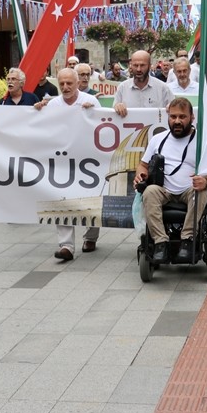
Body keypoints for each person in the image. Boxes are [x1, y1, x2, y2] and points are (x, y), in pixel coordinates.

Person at [133, 97, 207, 265]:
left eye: (182, 117)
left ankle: (187, 240)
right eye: (173, 117)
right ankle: (160, 243)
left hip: (190, 190)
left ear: (192, 118)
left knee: (200, 190)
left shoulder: (203, 142)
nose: (177, 121)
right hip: (163, 190)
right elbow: (143, 165)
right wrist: (140, 175)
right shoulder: (157, 139)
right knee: (149, 191)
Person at [36, 68, 100, 260]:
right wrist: (37, 111)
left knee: (91, 198)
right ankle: (66, 246)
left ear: (78, 83)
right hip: (62, 160)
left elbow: (103, 127)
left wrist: (93, 113)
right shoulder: (53, 105)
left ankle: (90, 237)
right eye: (61, 84)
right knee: (61, 198)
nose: (65, 87)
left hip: (88, 160)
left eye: (69, 83)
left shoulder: (91, 102)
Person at [112, 50, 173, 117]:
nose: (138, 69)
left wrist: (172, 107)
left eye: (142, 65)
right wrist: (117, 107)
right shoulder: (122, 88)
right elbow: (113, 114)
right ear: (131, 66)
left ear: (149, 66)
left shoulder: (163, 88)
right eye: (135, 65)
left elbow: (174, 111)